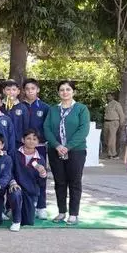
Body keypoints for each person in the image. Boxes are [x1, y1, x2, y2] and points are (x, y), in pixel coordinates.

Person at [43, 80, 90, 225]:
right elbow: (46, 128)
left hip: (76, 151)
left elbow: (83, 130)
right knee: (59, 182)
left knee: (74, 182)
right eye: (62, 90)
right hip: (55, 150)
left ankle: (74, 214)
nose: (65, 92)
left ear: (73, 92)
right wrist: (57, 145)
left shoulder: (81, 109)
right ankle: (61, 212)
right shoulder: (53, 110)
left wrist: (68, 146)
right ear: (58, 93)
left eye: (68, 89)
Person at [23, 78, 50, 219]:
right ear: (24, 91)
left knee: (41, 175)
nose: (30, 91)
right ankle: (14, 206)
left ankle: (41, 206)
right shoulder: (19, 106)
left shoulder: (45, 107)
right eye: (27, 89)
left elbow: (48, 127)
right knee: (21, 175)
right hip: (22, 148)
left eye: (33, 88)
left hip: (39, 147)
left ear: (37, 90)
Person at [12, 129, 48, 227]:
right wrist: (13, 183)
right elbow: (9, 172)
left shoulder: (40, 159)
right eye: (28, 138)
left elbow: (41, 183)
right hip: (17, 188)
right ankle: (13, 213)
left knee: (28, 221)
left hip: (31, 191)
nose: (31, 141)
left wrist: (42, 174)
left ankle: (30, 208)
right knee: (15, 194)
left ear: (38, 142)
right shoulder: (14, 154)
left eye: (34, 139)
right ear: (22, 140)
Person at [2, 79, 29, 151]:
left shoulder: (23, 107)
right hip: (1, 142)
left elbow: (26, 125)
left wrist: (24, 138)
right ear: (4, 91)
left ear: (18, 91)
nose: (11, 92)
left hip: (18, 141)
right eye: (8, 89)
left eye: (14, 90)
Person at [103, 92, 125, 159]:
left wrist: (121, 123)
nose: (108, 97)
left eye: (109, 96)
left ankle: (113, 154)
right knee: (106, 138)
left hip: (114, 122)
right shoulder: (108, 104)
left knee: (111, 139)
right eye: (107, 96)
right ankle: (109, 153)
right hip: (107, 122)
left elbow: (121, 114)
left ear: (113, 97)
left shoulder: (116, 104)